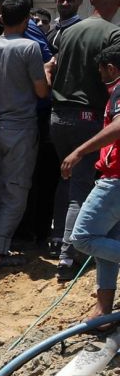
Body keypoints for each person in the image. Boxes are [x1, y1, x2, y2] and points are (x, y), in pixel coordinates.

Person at [46, 0, 120, 277]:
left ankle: (57, 240)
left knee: (66, 180)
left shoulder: (68, 31)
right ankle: (69, 256)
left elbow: (51, 67)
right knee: (81, 188)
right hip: (89, 119)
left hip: (58, 116)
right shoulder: (113, 34)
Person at [0, 0, 49, 268]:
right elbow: (41, 91)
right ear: (27, 20)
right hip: (20, 129)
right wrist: (48, 72)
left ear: (2, 18)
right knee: (16, 194)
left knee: (0, 194)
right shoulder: (30, 48)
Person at [59, 39, 120, 319]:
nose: (100, 75)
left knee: (82, 238)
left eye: (101, 70)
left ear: (111, 68)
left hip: (116, 178)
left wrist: (80, 151)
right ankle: (104, 310)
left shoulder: (119, 90)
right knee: (106, 241)